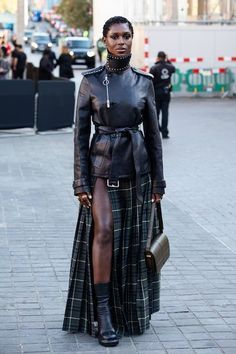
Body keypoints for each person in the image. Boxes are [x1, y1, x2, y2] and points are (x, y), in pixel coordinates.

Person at [62, 16, 166, 347]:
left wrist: (159, 182)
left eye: (126, 36)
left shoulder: (144, 82)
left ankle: (131, 311)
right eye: (115, 36)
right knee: (104, 232)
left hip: (138, 169)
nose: (121, 41)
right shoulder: (91, 81)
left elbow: (154, 136)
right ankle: (103, 313)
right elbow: (80, 135)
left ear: (132, 40)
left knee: (135, 242)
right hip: (101, 168)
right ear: (104, 41)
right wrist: (80, 181)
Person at [150, 51, 175, 139]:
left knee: (156, 114)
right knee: (165, 113)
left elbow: (150, 82)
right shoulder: (170, 67)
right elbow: (173, 68)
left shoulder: (154, 68)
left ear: (157, 57)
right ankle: (165, 133)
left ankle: (158, 130)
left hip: (156, 93)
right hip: (166, 92)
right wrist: (167, 60)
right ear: (165, 57)